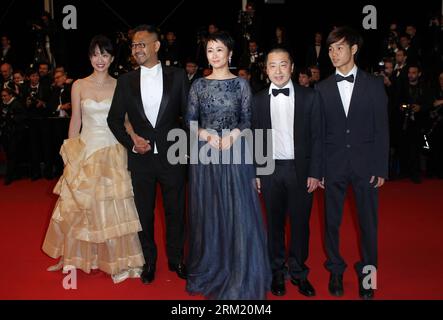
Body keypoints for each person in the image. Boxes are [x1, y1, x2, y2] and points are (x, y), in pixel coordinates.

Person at [42, 35, 145, 283]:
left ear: (111, 58)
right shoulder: (78, 85)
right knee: (82, 206)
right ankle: (80, 256)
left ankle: (116, 259)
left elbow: (126, 121)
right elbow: (75, 119)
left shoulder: (121, 84)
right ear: (90, 57)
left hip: (112, 150)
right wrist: (70, 153)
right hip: (87, 149)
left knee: (112, 206)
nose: (101, 60)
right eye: (96, 54)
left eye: (106, 55)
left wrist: (135, 140)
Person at [185, 31, 271, 300]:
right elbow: (189, 120)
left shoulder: (241, 84)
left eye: (219, 50)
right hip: (205, 152)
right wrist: (206, 135)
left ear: (230, 54)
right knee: (209, 209)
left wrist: (232, 136)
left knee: (238, 209)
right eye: (210, 50)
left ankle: (239, 269)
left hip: (236, 151)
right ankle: (212, 266)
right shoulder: (198, 85)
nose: (214, 55)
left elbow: (247, 120)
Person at [107, 25, 188, 284]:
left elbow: (188, 117)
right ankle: (149, 261)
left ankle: (176, 258)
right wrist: (132, 141)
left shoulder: (178, 76)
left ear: (156, 46)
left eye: (142, 44)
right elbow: (114, 120)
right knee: (144, 213)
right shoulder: (125, 81)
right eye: (133, 45)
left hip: (173, 156)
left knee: (176, 211)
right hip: (140, 159)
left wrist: (183, 148)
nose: (137, 48)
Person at [315, 26, 389, 300]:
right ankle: (335, 269)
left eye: (339, 47)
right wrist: (318, 169)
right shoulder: (321, 88)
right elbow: (318, 134)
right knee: (331, 222)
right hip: (332, 166)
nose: (333, 53)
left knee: (368, 224)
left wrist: (381, 166)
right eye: (330, 48)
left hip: (365, 166)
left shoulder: (374, 84)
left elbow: (382, 129)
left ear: (354, 49)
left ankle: (368, 274)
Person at [252, 48, 322, 297]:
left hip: (300, 170)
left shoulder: (310, 97)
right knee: (275, 225)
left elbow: (318, 137)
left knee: (301, 225)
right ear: (266, 69)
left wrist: (315, 171)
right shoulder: (258, 99)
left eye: (283, 65)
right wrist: (257, 173)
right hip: (271, 170)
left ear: (292, 67)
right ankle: (277, 273)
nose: (278, 71)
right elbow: (256, 138)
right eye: (273, 66)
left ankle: (299, 272)